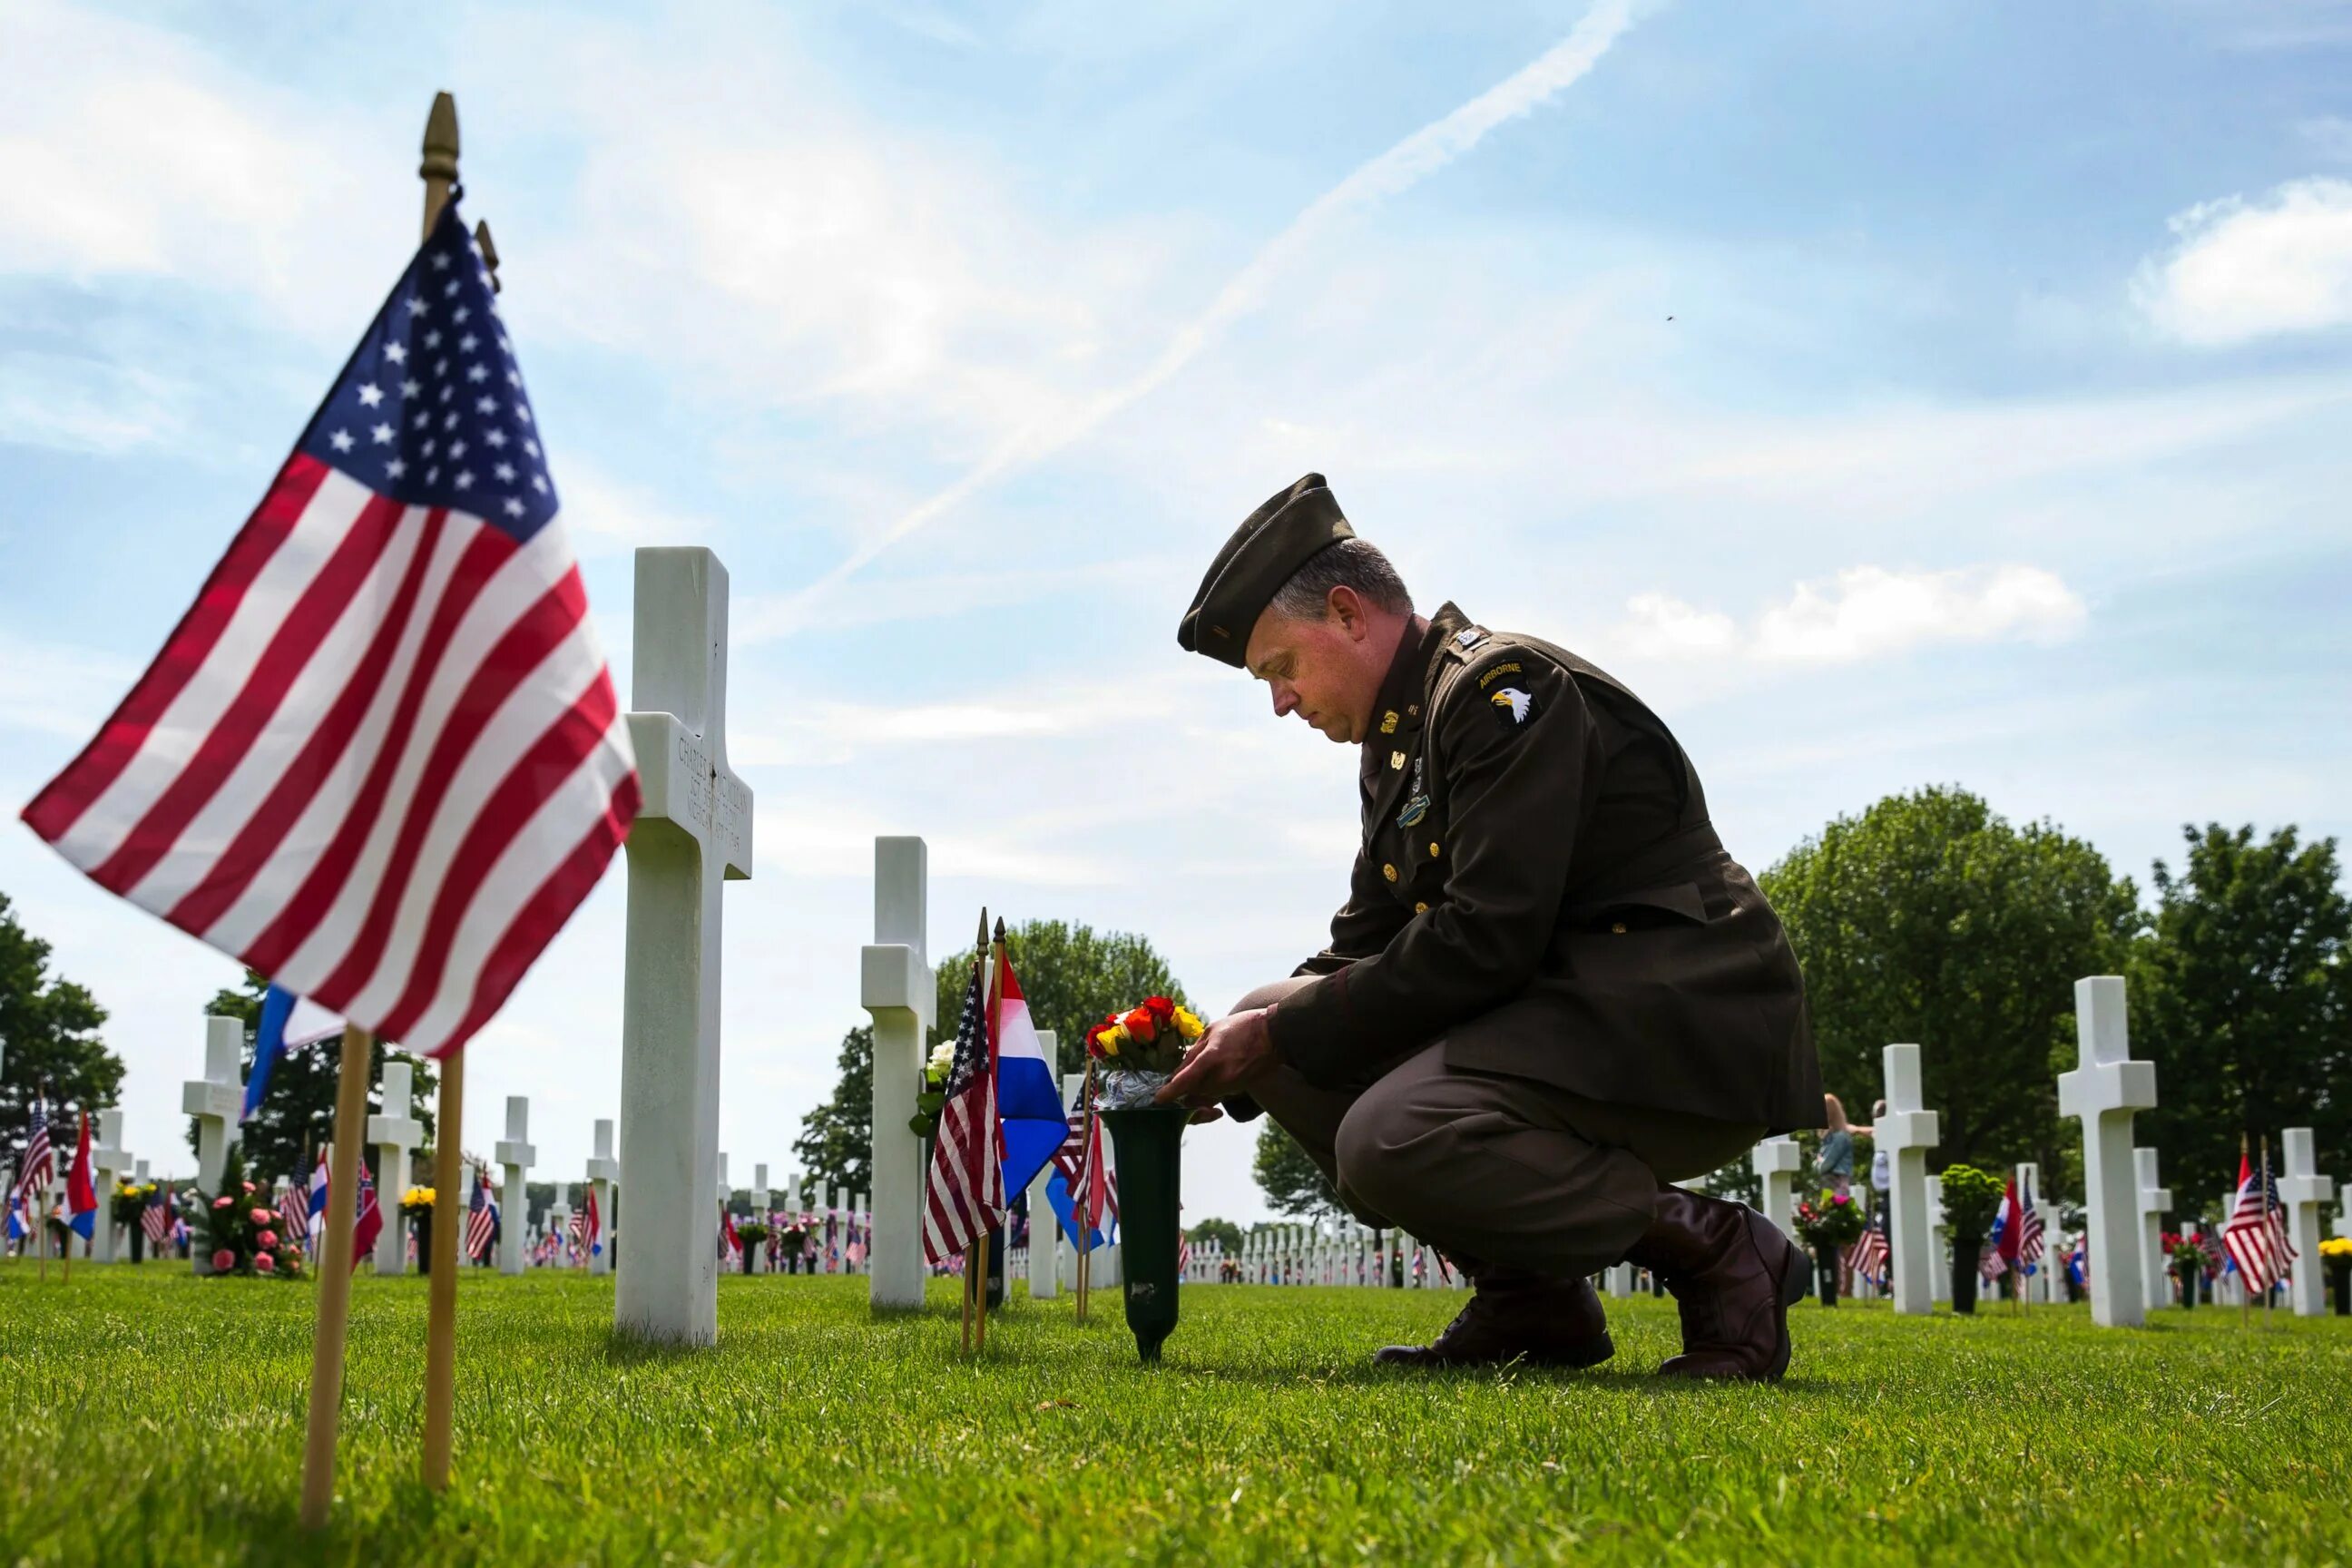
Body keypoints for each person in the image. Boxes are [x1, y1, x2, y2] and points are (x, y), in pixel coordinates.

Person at [1159, 475, 1821, 1379]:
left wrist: (1276, 1034)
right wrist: (1222, 1057)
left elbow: (1488, 936)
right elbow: (1363, 946)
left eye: (1281, 667)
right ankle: (1531, 1303)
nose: (1280, 700)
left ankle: (1715, 1248)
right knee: (1278, 1017)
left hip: (1680, 1012)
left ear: (1349, 615)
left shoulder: (1501, 691)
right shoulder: (1404, 736)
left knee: (1387, 1134)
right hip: (1572, 1012)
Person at [1818, 1094, 1855, 1198]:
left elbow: (1825, 1165)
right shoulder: (1829, 1137)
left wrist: (1819, 1162)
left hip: (1838, 1183)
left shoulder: (1840, 1137)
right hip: (1830, 1182)